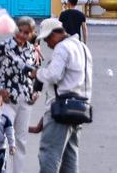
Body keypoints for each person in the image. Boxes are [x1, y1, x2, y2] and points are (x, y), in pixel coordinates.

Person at [35, 16, 92, 173]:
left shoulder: (62, 48)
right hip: (79, 108)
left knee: (49, 155)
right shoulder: (82, 47)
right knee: (70, 158)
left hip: (62, 110)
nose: (47, 44)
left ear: (54, 34)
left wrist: (37, 73)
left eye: (47, 40)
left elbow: (54, 75)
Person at [0, 15, 42, 173]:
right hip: (7, 100)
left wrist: (36, 92)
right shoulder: (5, 46)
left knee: (21, 141)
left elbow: (38, 74)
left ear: (32, 34)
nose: (22, 35)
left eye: (27, 32)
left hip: (25, 100)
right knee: (3, 138)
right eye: (20, 30)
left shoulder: (32, 50)